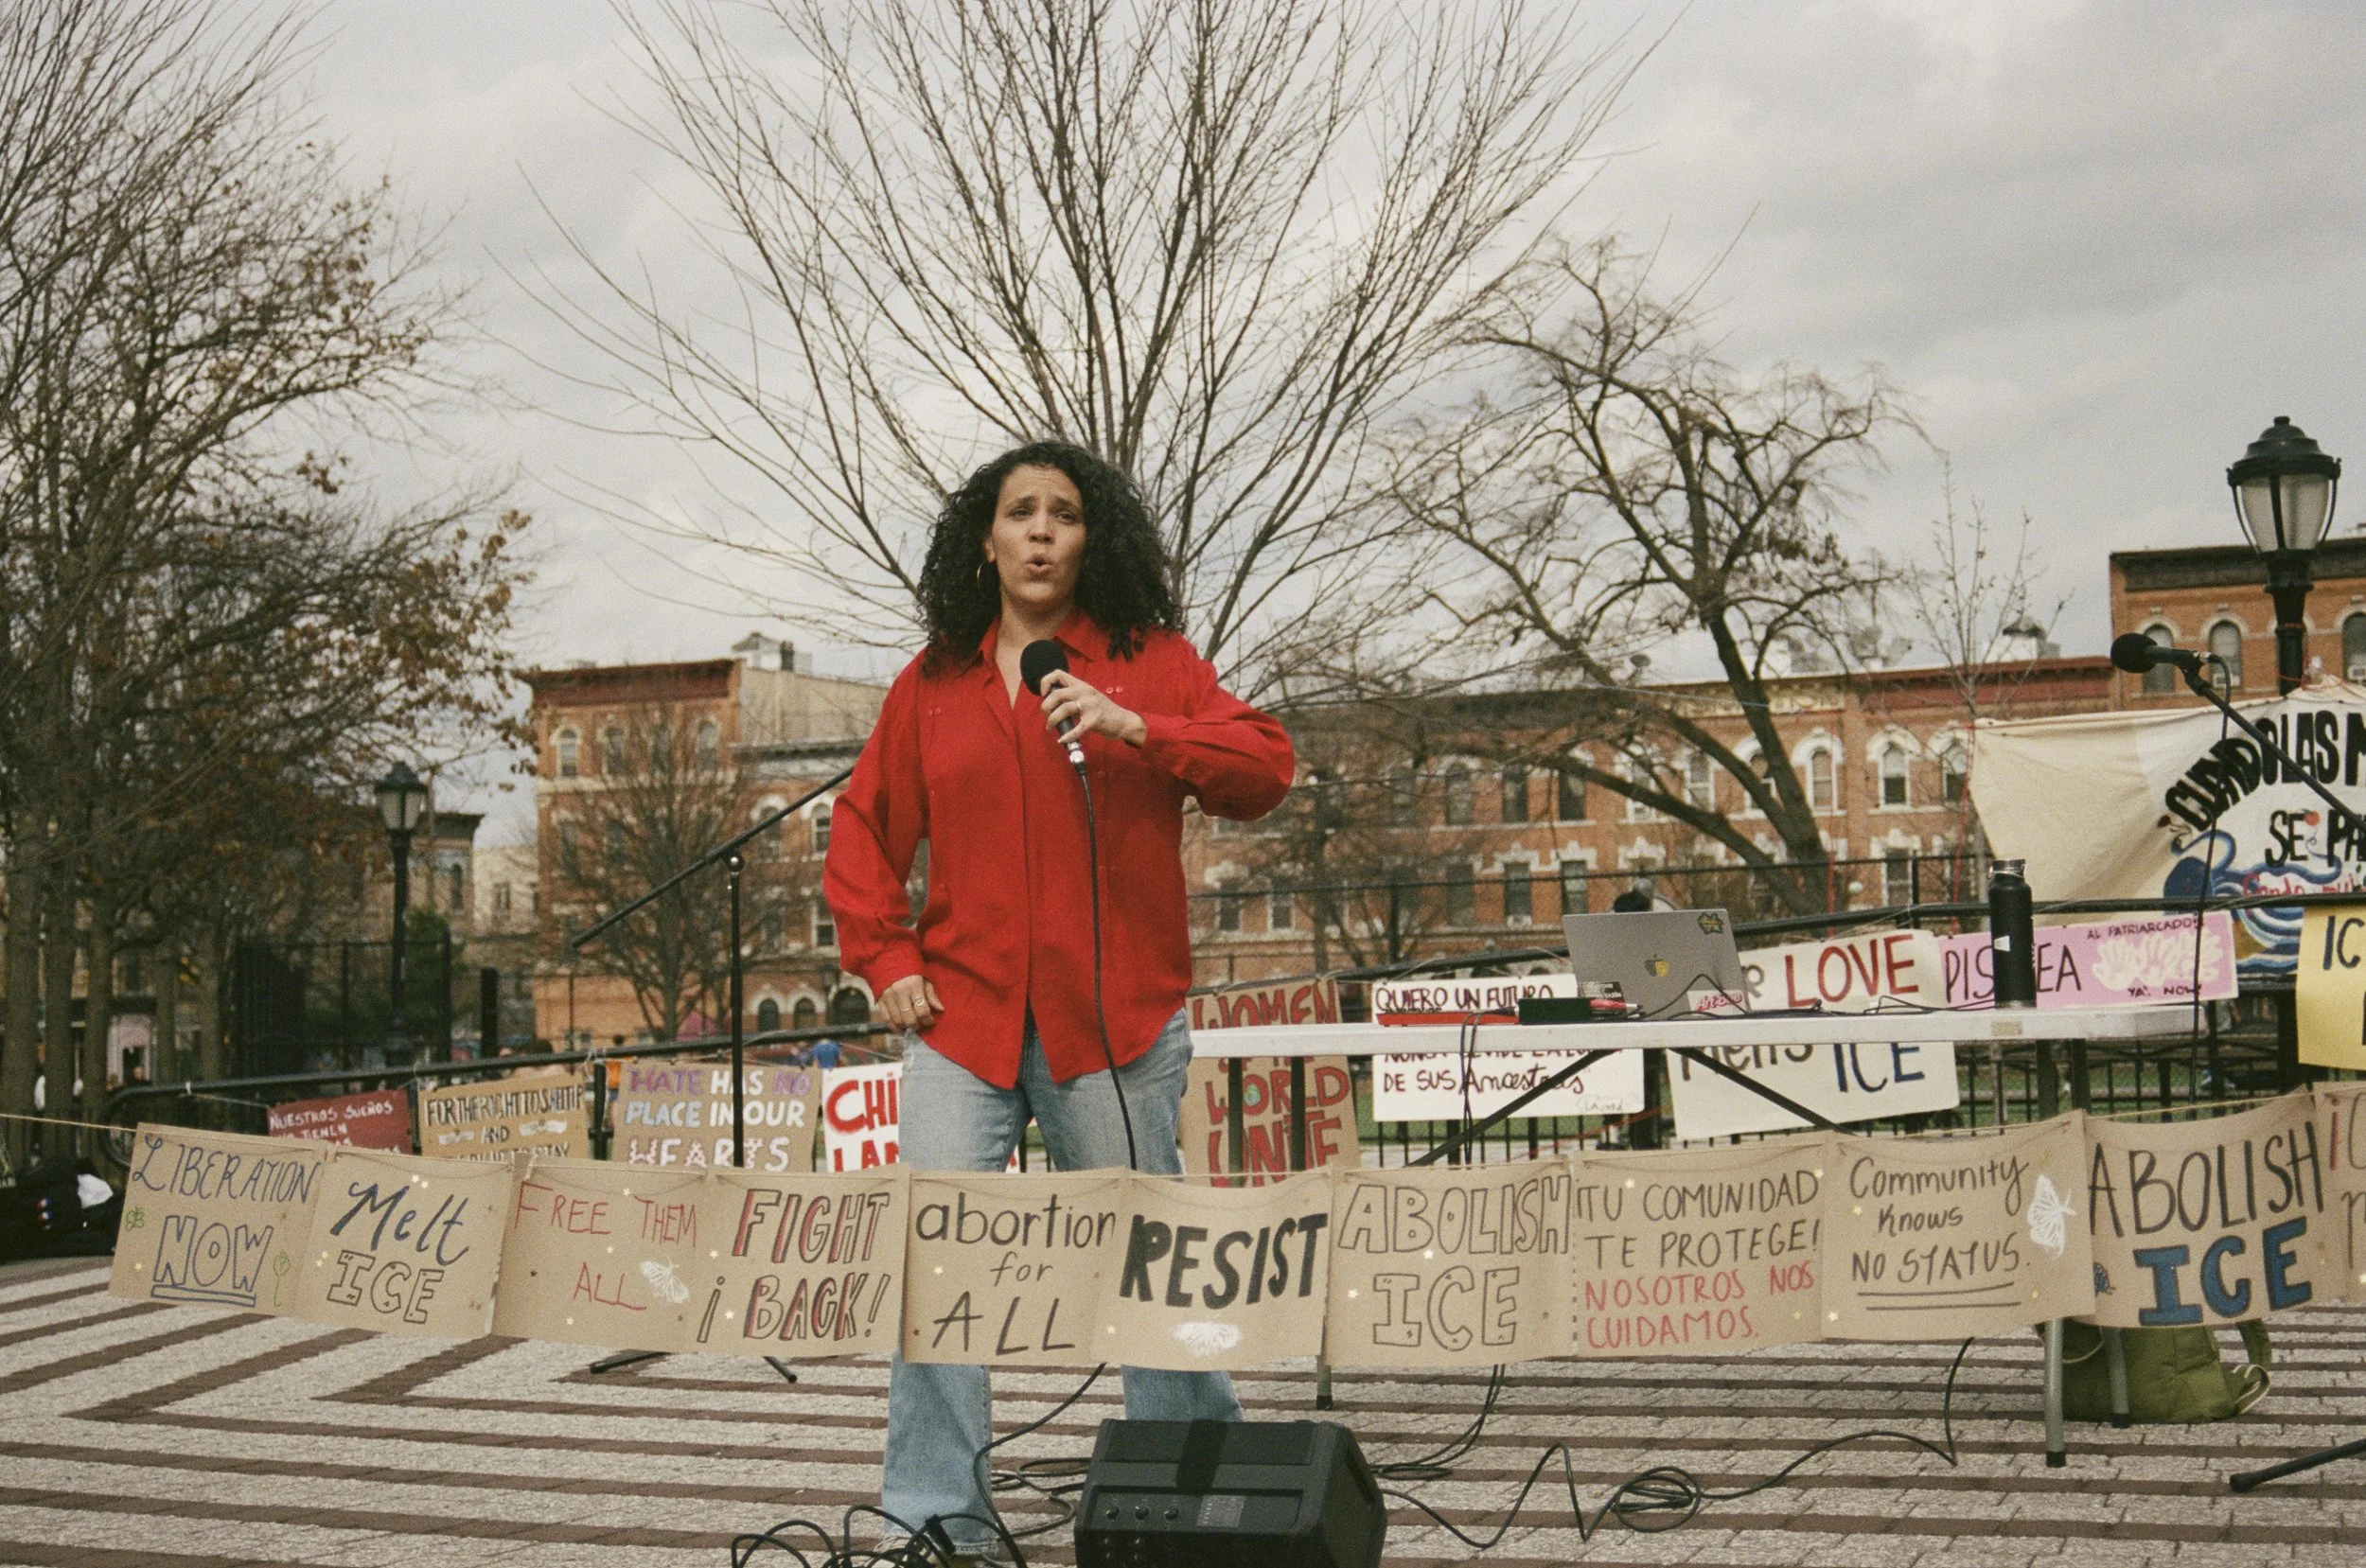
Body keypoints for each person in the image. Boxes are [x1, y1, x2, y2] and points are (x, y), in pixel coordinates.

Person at [825, 440, 1294, 1560]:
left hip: (1116, 1019)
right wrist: (885, 955)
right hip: (964, 1022)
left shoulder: (1152, 660)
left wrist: (1143, 728)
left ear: (1095, 539)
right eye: (1019, 511)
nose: (1041, 530)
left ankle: (1193, 1488)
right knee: (935, 1263)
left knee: (1148, 1253)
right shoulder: (930, 683)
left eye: (1065, 513)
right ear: (982, 540)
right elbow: (862, 826)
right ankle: (939, 1517)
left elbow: (1265, 767)